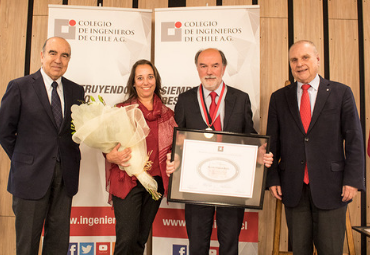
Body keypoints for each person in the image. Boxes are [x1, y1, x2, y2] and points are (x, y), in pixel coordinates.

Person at [166, 48, 273, 255]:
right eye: (203, 66)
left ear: (224, 68)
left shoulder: (241, 98)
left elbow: (248, 136)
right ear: (197, 68)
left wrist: (257, 154)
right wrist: (174, 157)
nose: (209, 71)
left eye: (215, 65)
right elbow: (177, 140)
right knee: (197, 245)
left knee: (230, 245)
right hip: (196, 185)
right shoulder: (186, 99)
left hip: (232, 186)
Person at [266, 40, 365, 254]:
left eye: (305, 57)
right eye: (294, 60)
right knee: (299, 250)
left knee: (330, 249)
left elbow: (355, 139)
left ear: (318, 60)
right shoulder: (279, 98)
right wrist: (272, 178)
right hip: (293, 188)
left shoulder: (341, 93)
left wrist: (353, 180)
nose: (299, 64)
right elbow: (272, 144)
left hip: (333, 188)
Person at [0, 37, 85, 255]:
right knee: (27, 244)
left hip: (65, 177)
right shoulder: (19, 86)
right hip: (30, 177)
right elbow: (4, 131)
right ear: (42, 55)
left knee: (58, 242)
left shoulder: (76, 91)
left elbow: (76, 132)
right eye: (53, 53)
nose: (58, 60)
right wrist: (24, 159)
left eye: (65, 55)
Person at [105, 59, 177, 255]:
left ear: (156, 80)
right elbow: (107, 145)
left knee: (139, 239)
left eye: (150, 77)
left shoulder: (168, 115)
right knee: (126, 238)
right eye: (140, 77)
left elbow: (175, 149)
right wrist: (111, 155)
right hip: (128, 180)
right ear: (133, 82)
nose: (146, 82)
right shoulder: (122, 110)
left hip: (155, 183)